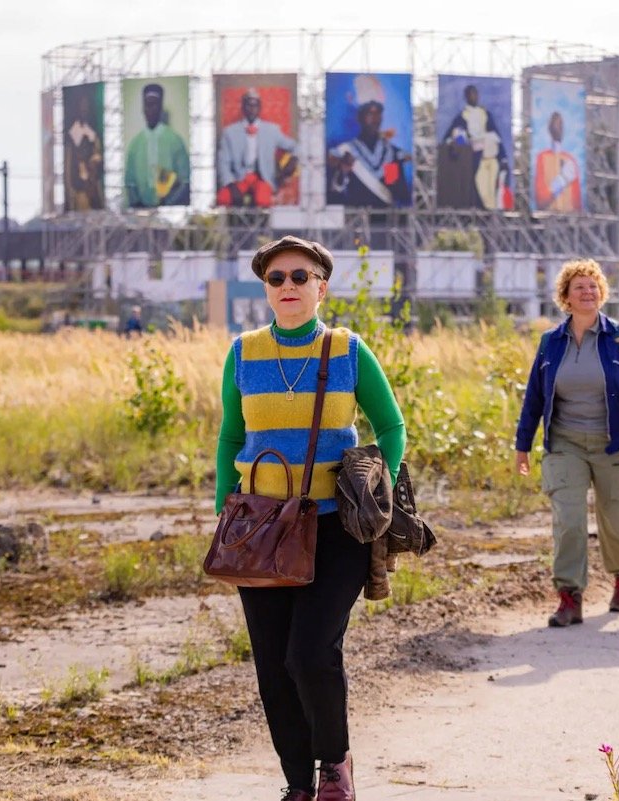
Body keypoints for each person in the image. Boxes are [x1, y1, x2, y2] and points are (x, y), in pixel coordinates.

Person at [215, 235, 405, 801]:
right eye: (276, 278)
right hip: (259, 530)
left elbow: (391, 427)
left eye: (301, 276)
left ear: (322, 288)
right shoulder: (242, 353)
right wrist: (225, 506)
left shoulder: (347, 350)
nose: (288, 286)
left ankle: (335, 766)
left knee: (310, 653)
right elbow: (230, 437)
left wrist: (377, 488)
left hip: (335, 528)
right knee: (274, 666)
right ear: (266, 289)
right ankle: (297, 784)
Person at [515, 260, 619, 627]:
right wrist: (522, 444)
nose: (588, 292)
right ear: (565, 296)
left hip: (617, 443)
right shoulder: (551, 343)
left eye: (593, 286)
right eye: (579, 286)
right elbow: (534, 397)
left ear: (602, 293)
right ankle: (569, 597)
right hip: (566, 444)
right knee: (569, 520)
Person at [327, 75, 411, 207]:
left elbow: (395, 192)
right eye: (370, 113)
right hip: (354, 216)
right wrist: (343, 171)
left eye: (378, 113)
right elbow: (334, 195)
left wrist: (393, 176)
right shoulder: (344, 151)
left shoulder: (390, 153)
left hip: (383, 217)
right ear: (360, 117)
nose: (375, 119)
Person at [216, 87, 299, 208]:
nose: (252, 109)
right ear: (242, 107)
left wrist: (293, 160)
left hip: (263, 179)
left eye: (255, 105)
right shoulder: (229, 133)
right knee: (223, 198)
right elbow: (223, 163)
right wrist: (231, 184)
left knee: (263, 201)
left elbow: (296, 146)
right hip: (238, 178)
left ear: (260, 108)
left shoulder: (272, 130)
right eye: (248, 105)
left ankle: (262, 221)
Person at [438, 84, 511, 210]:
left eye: (476, 94)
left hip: (491, 155)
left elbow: (496, 136)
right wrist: (460, 143)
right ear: (466, 97)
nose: (474, 96)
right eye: (471, 94)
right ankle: (483, 211)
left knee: (492, 189)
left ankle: (492, 213)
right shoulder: (462, 117)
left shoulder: (485, 114)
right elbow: (451, 137)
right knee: (479, 188)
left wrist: (503, 157)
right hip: (474, 158)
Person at [124, 83, 191, 208]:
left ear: (160, 107)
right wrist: (138, 206)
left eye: (154, 105)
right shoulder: (135, 144)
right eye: (147, 105)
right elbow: (130, 183)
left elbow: (186, 181)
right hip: (140, 214)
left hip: (170, 211)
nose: (150, 110)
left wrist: (168, 205)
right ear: (143, 109)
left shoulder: (175, 141)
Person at [533, 112, 582, 212]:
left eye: (560, 125)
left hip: (569, 216)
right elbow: (541, 200)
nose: (558, 128)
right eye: (555, 124)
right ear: (550, 128)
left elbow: (577, 202)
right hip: (548, 215)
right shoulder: (542, 157)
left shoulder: (570, 160)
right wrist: (561, 181)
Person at [65, 93, 104, 211]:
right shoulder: (72, 132)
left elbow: (97, 153)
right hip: (79, 188)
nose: (84, 110)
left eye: (86, 107)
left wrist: (94, 160)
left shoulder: (92, 132)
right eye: (82, 106)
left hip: (92, 186)